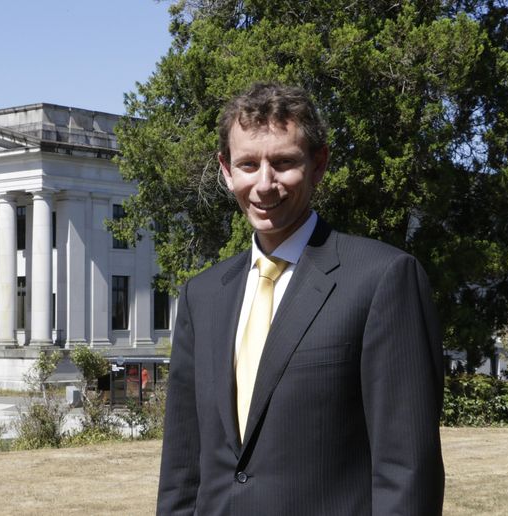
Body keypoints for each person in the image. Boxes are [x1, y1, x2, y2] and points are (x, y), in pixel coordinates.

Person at [157, 83, 445, 515]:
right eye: (248, 164)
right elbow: (182, 466)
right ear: (226, 170)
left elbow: (406, 469)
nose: (264, 184)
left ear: (319, 164)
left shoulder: (382, 279)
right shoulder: (203, 295)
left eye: (284, 162)